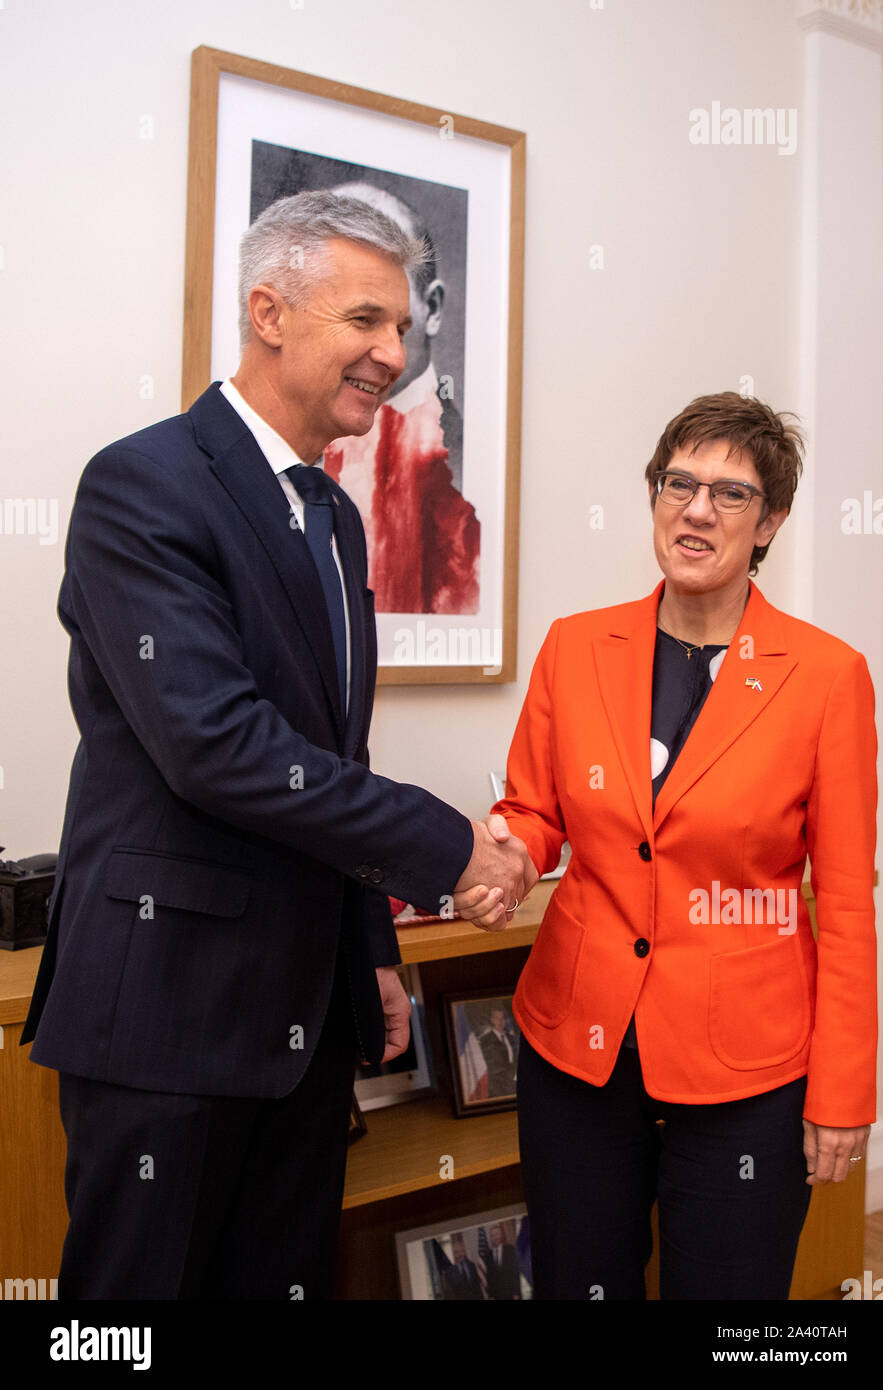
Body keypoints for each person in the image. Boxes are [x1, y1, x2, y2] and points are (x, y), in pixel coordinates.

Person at [21, 190, 529, 1300]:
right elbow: (219, 745)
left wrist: (371, 951)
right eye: (365, 321)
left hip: (298, 1023)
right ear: (269, 311)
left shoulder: (333, 515)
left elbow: (325, 754)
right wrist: (451, 847)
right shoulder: (143, 483)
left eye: (402, 327)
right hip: (166, 1016)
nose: (394, 353)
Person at [455, 392, 877, 1300]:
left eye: (730, 494)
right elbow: (534, 809)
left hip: (748, 1070)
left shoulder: (827, 678)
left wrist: (844, 1091)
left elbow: (843, 903)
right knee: (580, 1282)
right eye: (677, 482)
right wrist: (508, 854)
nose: (695, 509)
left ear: (769, 522)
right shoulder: (574, 648)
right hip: (579, 1049)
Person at [322, 182, 479, 614]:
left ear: (433, 309)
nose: (375, 347)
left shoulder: (461, 458)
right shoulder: (301, 448)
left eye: (378, 311)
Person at [478, 1005, 518, 1098]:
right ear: (492, 1020)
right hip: (498, 1088)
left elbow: (515, 1059)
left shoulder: (510, 1037)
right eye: (497, 1018)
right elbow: (493, 1067)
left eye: (502, 1018)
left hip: (513, 1083)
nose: (500, 1021)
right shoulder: (486, 1040)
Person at [483, 1223, 522, 1300]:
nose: (495, 1237)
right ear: (490, 1238)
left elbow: (515, 1273)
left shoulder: (510, 1249)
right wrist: (491, 1296)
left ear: (501, 1235)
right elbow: (489, 1278)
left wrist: (516, 1293)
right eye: (492, 1235)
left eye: (497, 1234)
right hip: (497, 1296)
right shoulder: (488, 1256)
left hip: (511, 1293)